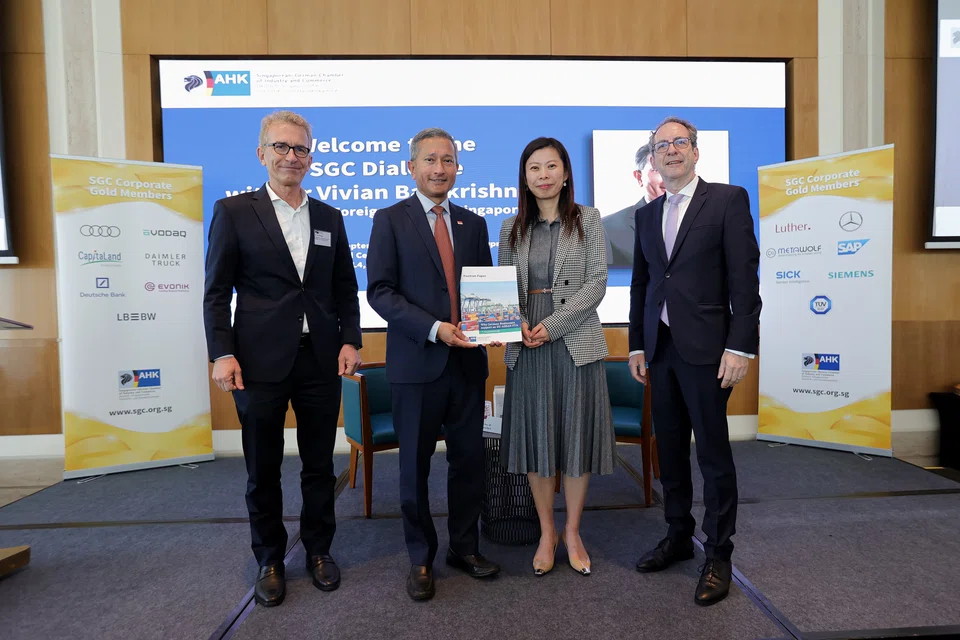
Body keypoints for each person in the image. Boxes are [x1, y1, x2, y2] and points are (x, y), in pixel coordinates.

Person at [203, 110, 362, 608]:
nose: (292, 157)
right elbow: (215, 293)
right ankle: (270, 559)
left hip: (319, 360)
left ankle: (318, 552)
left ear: (311, 156)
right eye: (282, 148)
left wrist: (351, 340)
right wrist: (222, 352)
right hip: (256, 363)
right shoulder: (233, 213)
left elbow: (344, 290)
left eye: (301, 149)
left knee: (319, 466)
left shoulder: (330, 218)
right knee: (262, 469)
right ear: (262, 153)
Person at [628, 116, 760, 606]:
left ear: (696, 150)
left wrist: (741, 346)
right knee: (671, 454)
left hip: (709, 352)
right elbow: (643, 286)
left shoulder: (727, 200)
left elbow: (745, 281)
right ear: (654, 157)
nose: (671, 151)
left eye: (679, 142)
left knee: (713, 455)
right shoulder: (647, 214)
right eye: (662, 145)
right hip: (659, 352)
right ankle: (679, 535)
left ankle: (719, 553)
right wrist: (638, 345)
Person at [366, 127, 500, 601]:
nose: (439, 168)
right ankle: (420, 556)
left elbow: (483, 289)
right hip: (416, 363)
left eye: (448, 160)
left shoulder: (473, 223)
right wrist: (433, 327)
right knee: (414, 468)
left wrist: (493, 325)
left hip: (467, 366)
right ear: (412, 167)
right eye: (430, 160)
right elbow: (380, 291)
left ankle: (464, 547)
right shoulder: (389, 219)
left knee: (469, 464)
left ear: (457, 168)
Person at [498, 137, 615, 577]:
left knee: (573, 438)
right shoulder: (511, 227)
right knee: (537, 438)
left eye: (551, 166)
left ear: (566, 173)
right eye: (534, 168)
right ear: (525, 178)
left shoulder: (588, 219)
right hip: (527, 341)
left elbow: (598, 282)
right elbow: (504, 286)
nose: (543, 175)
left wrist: (554, 324)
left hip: (574, 339)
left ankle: (573, 531)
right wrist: (519, 323)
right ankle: (547, 532)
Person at [603, 142, 665, 268]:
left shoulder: (705, 221)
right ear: (639, 177)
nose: (670, 178)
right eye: (658, 170)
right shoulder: (606, 228)